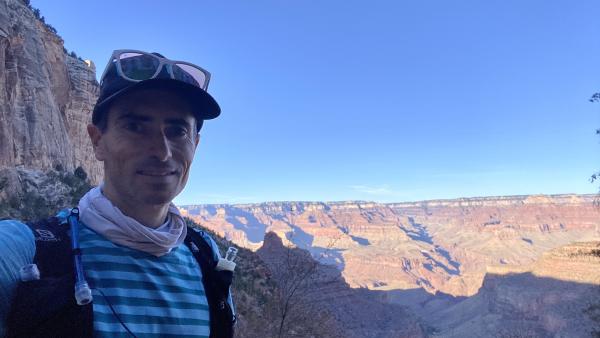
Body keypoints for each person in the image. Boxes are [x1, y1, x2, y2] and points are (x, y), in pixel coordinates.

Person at [0, 50, 235, 338]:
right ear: (97, 141)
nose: (162, 152)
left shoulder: (206, 255)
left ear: (195, 145)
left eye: (177, 131)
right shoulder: (24, 250)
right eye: (135, 126)